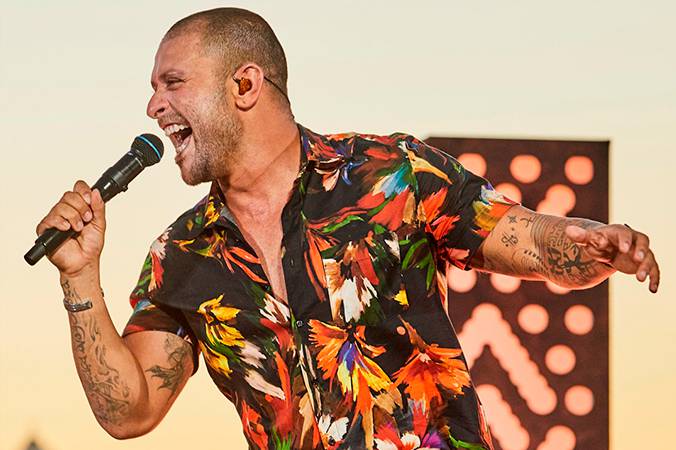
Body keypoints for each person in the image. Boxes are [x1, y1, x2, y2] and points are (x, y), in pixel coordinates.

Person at [36, 7, 660, 450]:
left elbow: (527, 239)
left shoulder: (390, 174)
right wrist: (80, 277)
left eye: (172, 83)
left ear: (245, 85)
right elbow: (130, 411)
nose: (153, 107)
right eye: (153, 89)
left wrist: (593, 242)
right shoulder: (180, 255)